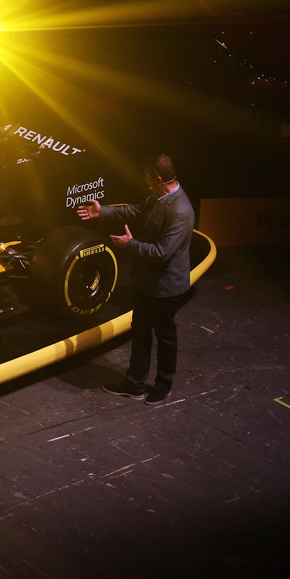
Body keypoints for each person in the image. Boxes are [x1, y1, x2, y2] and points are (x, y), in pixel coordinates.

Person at [77, 153, 195, 405]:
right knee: (140, 331)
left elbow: (162, 253)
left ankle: (164, 384)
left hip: (166, 286)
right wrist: (103, 212)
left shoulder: (180, 211)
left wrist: (130, 245)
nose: (143, 179)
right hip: (147, 281)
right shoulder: (160, 196)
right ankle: (134, 383)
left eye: (146, 176)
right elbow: (139, 210)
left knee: (165, 335)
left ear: (159, 178)